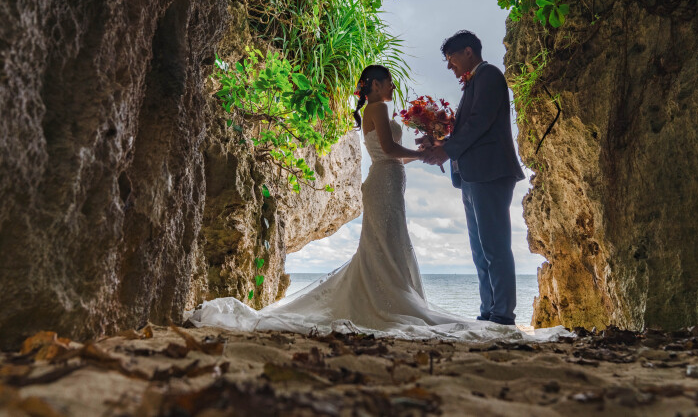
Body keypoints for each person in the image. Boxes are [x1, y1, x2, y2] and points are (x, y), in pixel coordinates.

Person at [188, 64, 564, 342]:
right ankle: (391, 302)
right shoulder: (379, 109)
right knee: (385, 243)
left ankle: (393, 295)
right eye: (387, 81)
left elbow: (390, 153)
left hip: (387, 179)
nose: (391, 85)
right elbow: (387, 150)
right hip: (384, 181)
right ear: (376, 85)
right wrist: (426, 155)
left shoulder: (375, 111)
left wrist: (426, 148)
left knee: (388, 243)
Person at [422, 31, 525, 326]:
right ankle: (488, 311)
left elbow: (481, 122)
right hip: (471, 175)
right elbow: (469, 126)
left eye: (451, 59)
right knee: (480, 251)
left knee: (494, 247)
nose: (449, 67)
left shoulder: (489, 75)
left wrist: (446, 151)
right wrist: (441, 142)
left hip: (490, 172)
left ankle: (503, 315)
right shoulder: (472, 84)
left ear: (468, 51)